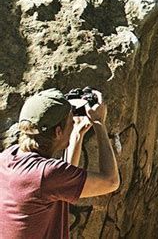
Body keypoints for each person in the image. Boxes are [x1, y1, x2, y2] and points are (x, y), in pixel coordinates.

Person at [0, 88, 120, 239]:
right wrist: (98, 123)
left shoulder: (7, 158)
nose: (73, 122)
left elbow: (60, 184)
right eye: (70, 121)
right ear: (58, 132)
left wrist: (76, 133)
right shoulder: (45, 175)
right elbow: (111, 181)